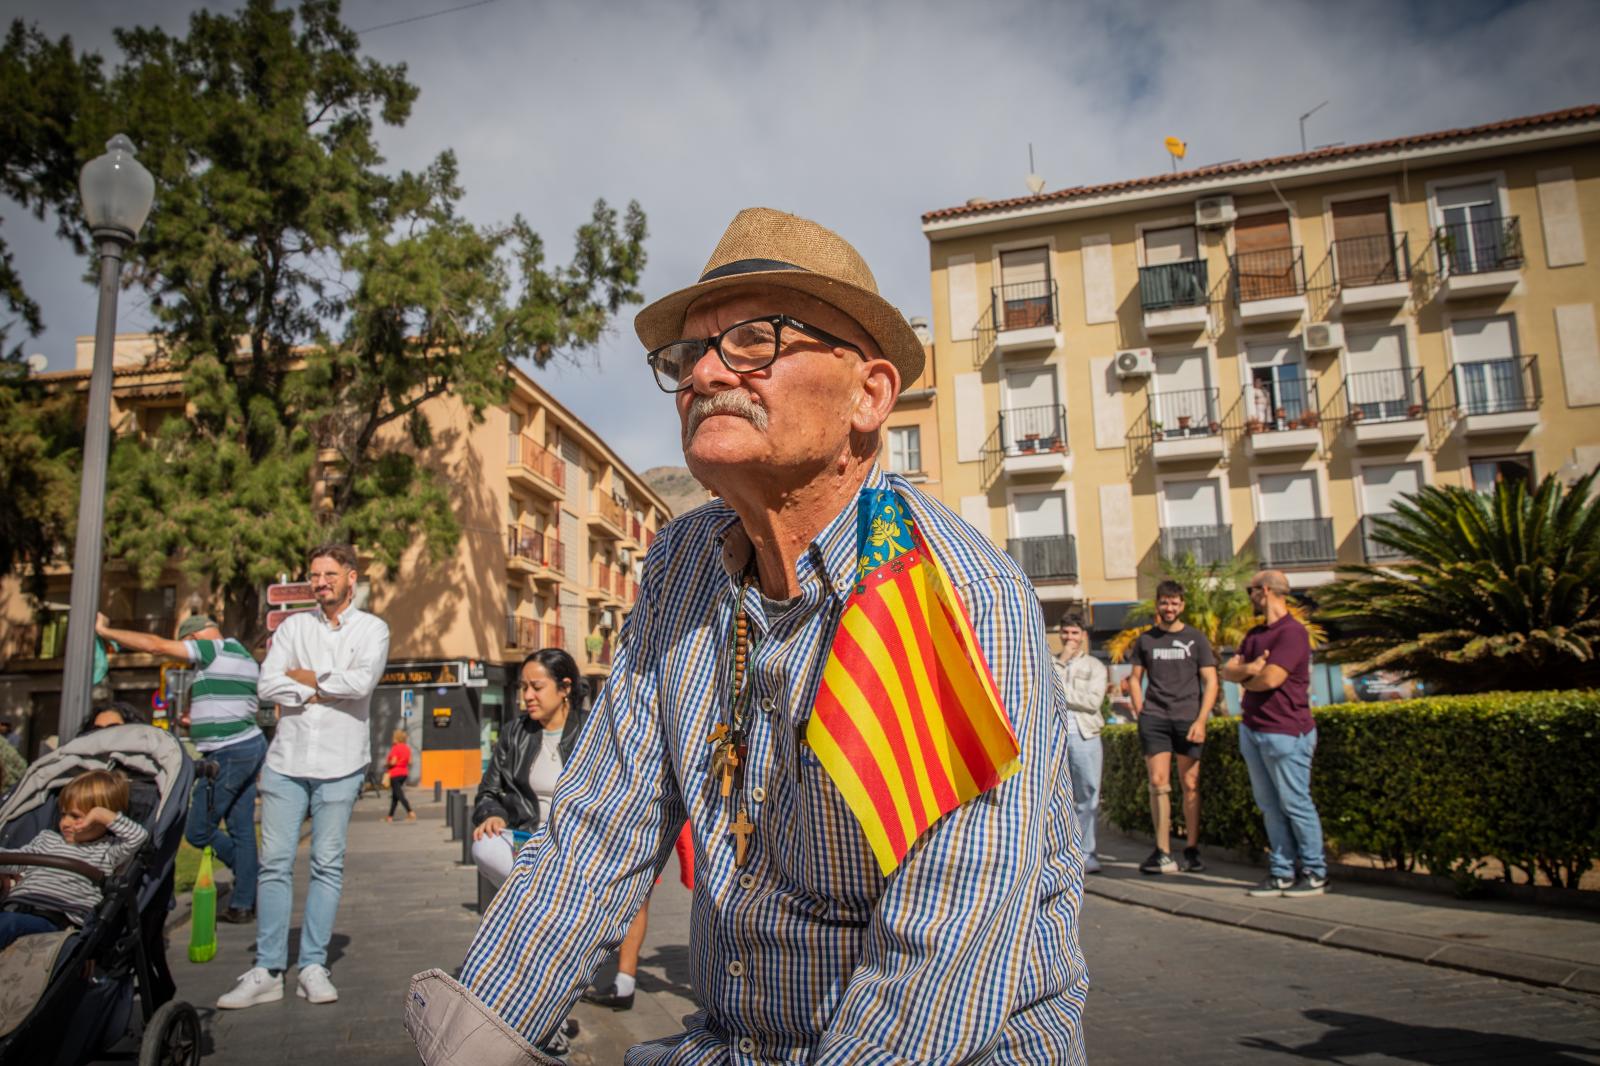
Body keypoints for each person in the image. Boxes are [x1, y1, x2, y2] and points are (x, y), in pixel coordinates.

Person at [438, 208, 1087, 1063]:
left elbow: (942, 951)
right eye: (688, 353)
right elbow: (594, 834)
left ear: (870, 395)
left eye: (754, 338)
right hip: (733, 1042)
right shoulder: (680, 563)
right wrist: (472, 1041)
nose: (703, 372)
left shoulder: (938, 593)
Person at [217, 543, 389, 1010]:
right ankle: (268, 968)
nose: (320, 582)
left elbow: (361, 684)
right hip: (285, 762)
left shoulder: (373, 629)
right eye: (314, 575)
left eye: (329, 574)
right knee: (274, 863)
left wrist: (305, 679)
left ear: (351, 577)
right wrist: (321, 685)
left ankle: (313, 964)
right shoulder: (292, 626)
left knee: (326, 865)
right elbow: (267, 682)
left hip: (341, 763)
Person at [96, 612, 264, 923]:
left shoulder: (213, 649)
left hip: (227, 753)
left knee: (198, 830)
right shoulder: (241, 655)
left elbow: (155, 646)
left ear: (191, 639)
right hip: (245, 747)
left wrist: (105, 631)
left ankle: (249, 872)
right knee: (242, 830)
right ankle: (243, 902)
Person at [1223, 569, 1327, 898]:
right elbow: (1228, 670)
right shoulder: (1254, 634)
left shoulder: (1292, 633)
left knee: (1296, 803)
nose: (1249, 596)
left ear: (1265, 590)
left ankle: (1314, 871)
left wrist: (1248, 675)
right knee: (1269, 805)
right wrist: (1250, 670)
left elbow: (1271, 680)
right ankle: (1282, 871)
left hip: (1286, 731)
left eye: (1250, 590)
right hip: (1254, 728)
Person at [469, 649, 586, 886]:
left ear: (565, 688)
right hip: (527, 841)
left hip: (579, 845)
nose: (528, 696)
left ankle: (539, 895)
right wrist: (493, 814)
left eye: (537, 687)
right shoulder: (514, 733)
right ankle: (542, 892)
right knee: (484, 846)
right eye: (524, 687)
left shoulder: (593, 730)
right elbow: (487, 792)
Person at [1127, 579, 1218, 875]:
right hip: (1155, 719)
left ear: (1182, 605)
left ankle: (1191, 850)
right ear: (1157, 604)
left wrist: (1202, 719)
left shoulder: (1196, 639)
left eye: (1175, 603)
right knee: (1158, 782)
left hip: (1188, 719)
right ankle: (1163, 851)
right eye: (1165, 602)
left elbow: (1211, 681)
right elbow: (1134, 679)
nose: (1169, 607)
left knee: (1190, 783)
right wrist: (1142, 712)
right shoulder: (1146, 640)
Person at [0, 769, 149, 948]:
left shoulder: (108, 850)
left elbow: (138, 836)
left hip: (55, 924)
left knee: (9, 923)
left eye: (76, 816)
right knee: (9, 921)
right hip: (14, 910)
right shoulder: (47, 839)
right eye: (63, 814)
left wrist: (102, 814)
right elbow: (15, 861)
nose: (66, 823)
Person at [581, 823, 695, 1011]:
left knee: (706, 883)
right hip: (660, 806)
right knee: (639, 884)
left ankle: (723, 992)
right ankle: (624, 986)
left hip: (697, 808)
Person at [1055, 613, 1109, 873]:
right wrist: (1061, 662)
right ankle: (1060, 855)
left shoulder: (1096, 667)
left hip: (1086, 736)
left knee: (1088, 796)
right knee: (1056, 797)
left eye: (1075, 633)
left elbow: (1092, 702)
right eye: (1065, 632)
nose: (1070, 638)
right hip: (1055, 737)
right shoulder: (1051, 662)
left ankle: (1086, 853)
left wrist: (1060, 690)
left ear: (1083, 636)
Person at [384, 730, 415, 822]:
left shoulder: (395, 748)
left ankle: (410, 812)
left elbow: (393, 761)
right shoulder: (407, 748)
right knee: (395, 795)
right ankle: (390, 816)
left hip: (395, 774)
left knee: (399, 795)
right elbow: (410, 762)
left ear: (396, 738)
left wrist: (387, 764)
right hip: (404, 773)